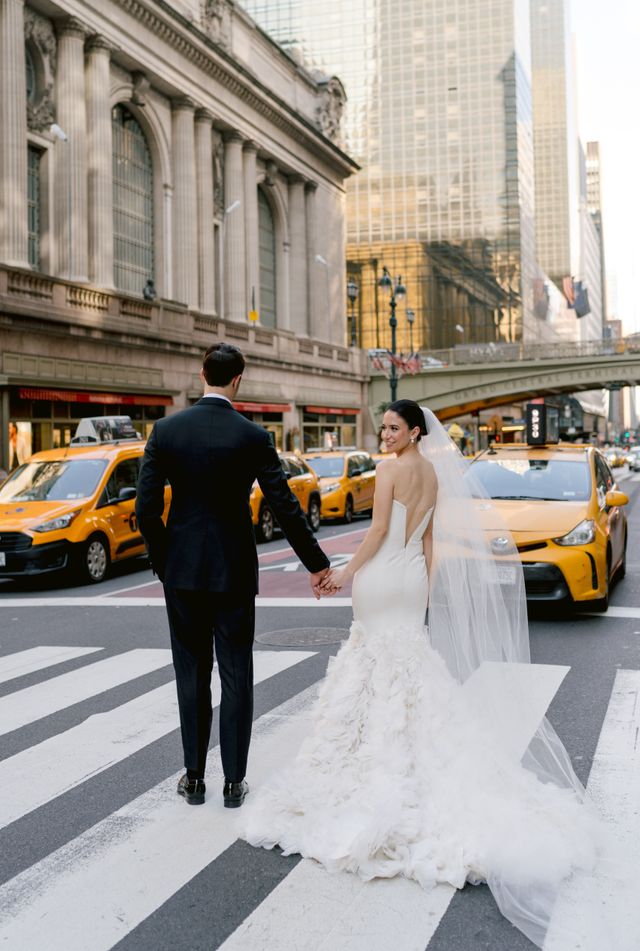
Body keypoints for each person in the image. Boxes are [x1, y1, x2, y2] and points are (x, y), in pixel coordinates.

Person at [243, 399, 609, 949]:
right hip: (412, 580)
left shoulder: (390, 470)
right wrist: (429, 587)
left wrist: (343, 573)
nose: (385, 435)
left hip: (382, 577)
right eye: (383, 428)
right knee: (406, 668)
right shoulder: (435, 474)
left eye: (393, 428)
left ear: (415, 431)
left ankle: (371, 764)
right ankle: (411, 756)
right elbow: (431, 540)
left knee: (370, 668)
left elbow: (379, 530)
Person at [136, 343, 330, 809]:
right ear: (238, 380)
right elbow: (284, 505)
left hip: (182, 573)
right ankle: (233, 783)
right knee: (236, 673)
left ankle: (194, 778)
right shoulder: (253, 437)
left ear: (201, 373)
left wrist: (165, 560)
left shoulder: (165, 431)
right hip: (234, 572)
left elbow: (145, 508)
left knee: (191, 672)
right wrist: (317, 563)